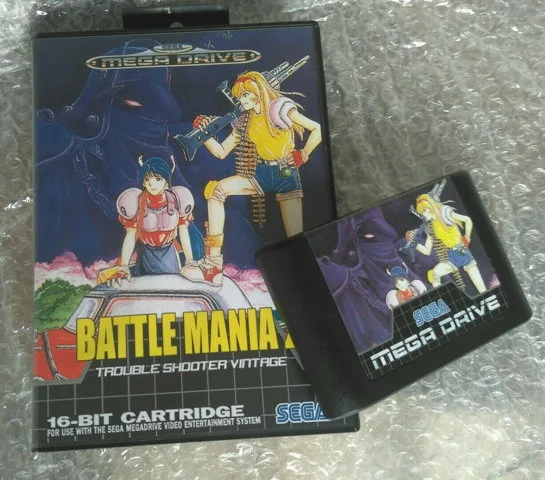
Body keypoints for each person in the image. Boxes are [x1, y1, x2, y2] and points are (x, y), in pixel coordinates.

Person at [190, 70, 322, 285]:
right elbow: (222, 151)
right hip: (260, 174)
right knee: (216, 191)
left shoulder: (280, 108)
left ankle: (304, 277)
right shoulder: (245, 120)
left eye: (244, 95)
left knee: (295, 236)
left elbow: (316, 129)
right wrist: (204, 134)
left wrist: (303, 153)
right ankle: (213, 264)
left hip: (286, 174)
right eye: (239, 96)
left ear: (258, 92)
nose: (240, 100)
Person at [102, 156, 201, 281]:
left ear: (166, 182)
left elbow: (183, 231)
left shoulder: (178, 200)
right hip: (146, 257)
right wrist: (123, 267)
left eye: (158, 179)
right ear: (143, 182)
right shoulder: (135, 202)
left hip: (169, 255)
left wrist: (189, 260)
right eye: (147, 179)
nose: (152, 184)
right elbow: (131, 236)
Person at [413, 193, 486, 293]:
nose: (424, 215)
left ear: (430, 207)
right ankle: (443, 297)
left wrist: (467, 238)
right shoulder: (431, 227)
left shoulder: (444, 213)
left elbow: (467, 219)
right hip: (452, 256)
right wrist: (414, 242)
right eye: (422, 213)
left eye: (424, 211)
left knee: (482, 289)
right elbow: (426, 250)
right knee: (434, 274)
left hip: (462, 251)